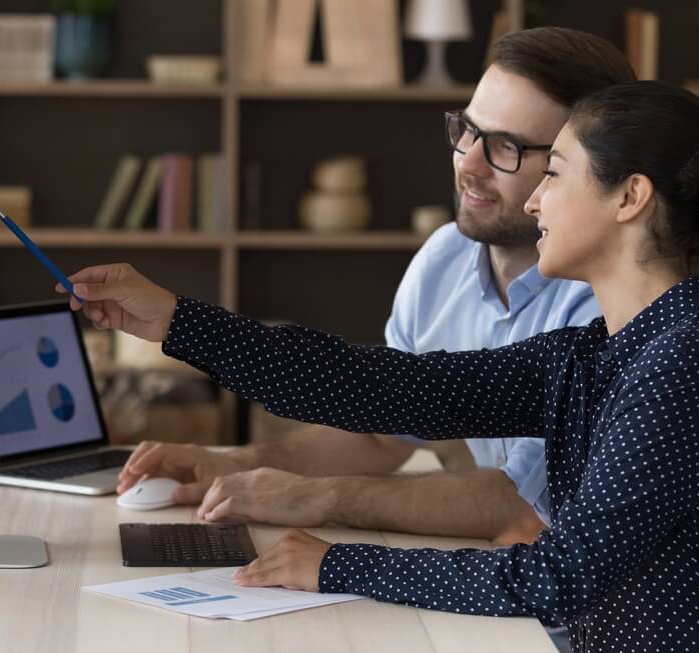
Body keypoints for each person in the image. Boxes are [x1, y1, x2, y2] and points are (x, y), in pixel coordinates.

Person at [61, 80, 699, 653]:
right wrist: (172, 320)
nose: (537, 198)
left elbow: (553, 577)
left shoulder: (690, 361)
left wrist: (339, 564)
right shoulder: (594, 354)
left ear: (630, 196)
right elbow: (384, 387)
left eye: (555, 172)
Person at [115, 28, 633, 546]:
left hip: (576, 611)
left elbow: (518, 508)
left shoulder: (609, 312)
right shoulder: (444, 258)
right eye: (467, 131)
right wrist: (229, 462)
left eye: (506, 148)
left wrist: (314, 499)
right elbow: (384, 425)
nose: (467, 165)